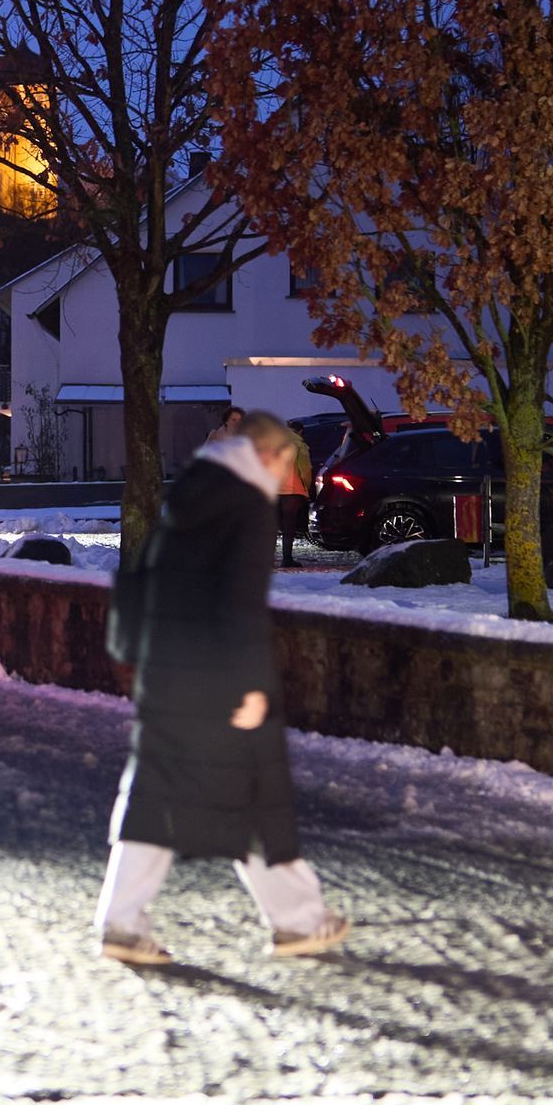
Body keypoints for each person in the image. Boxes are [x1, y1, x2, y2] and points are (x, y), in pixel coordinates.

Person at [98, 410, 350, 965]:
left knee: (155, 796)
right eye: (286, 464)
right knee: (257, 799)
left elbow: (153, 576)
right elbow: (239, 603)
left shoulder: (192, 492)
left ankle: (120, 921)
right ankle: (299, 921)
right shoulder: (247, 506)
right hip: (217, 679)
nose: (286, 478)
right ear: (268, 455)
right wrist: (251, 686)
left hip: (167, 671)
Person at [277, 431, 314, 568]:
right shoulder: (298, 445)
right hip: (292, 489)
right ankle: (286, 558)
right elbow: (305, 469)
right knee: (289, 526)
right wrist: (307, 486)